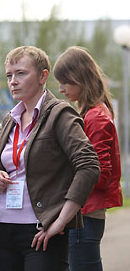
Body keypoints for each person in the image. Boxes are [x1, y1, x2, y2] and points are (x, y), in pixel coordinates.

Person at [0, 45, 101, 271]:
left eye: (21, 73)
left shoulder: (60, 113)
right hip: (2, 226)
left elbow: (89, 166)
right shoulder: (11, 118)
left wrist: (61, 221)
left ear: (43, 76)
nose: (13, 81)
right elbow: (6, 167)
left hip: (41, 231)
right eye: (9, 75)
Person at [53, 46, 123, 271]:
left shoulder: (95, 117)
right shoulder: (95, 113)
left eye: (65, 82)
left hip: (86, 212)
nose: (61, 89)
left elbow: (99, 173)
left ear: (79, 77)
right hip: (85, 211)